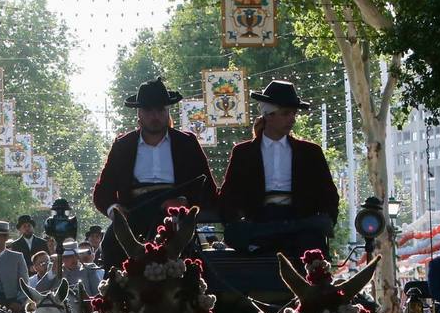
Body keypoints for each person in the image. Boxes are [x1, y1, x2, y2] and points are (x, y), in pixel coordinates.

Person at [92, 77, 218, 271]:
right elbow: (102, 191)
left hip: (175, 216)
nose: (155, 116)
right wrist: (115, 210)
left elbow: (206, 187)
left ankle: (197, 297)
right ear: (139, 114)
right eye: (149, 110)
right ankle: (115, 298)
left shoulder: (187, 143)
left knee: (196, 261)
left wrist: (184, 202)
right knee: (110, 245)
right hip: (134, 213)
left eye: (160, 110)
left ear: (167, 112)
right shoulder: (123, 145)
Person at [218, 79, 339, 258]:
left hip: (299, 220)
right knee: (239, 236)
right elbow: (228, 196)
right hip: (260, 221)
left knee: (311, 240)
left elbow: (329, 194)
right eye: (285, 113)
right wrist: (235, 221)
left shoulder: (310, 152)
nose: (292, 119)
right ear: (268, 115)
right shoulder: (244, 153)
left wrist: (325, 218)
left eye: (293, 114)